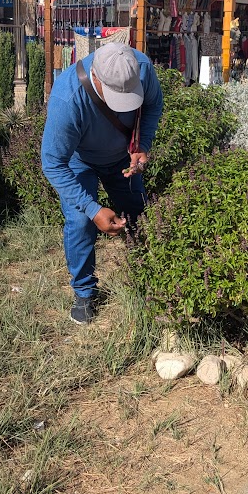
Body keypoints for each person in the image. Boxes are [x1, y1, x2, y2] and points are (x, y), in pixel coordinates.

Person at [41, 42, 164, 325]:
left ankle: (150, 276)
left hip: (123, 157)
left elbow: (154, 105)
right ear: (96, 77)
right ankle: (84, 292)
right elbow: (53, 163)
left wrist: (142, 145)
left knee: (139, 213)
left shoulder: (141, 67)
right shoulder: (67, 99)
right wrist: (92, 208)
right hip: (78, 160)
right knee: (80, 221)